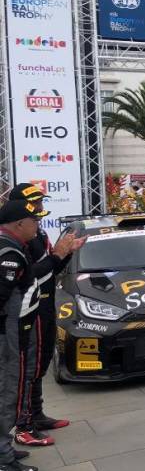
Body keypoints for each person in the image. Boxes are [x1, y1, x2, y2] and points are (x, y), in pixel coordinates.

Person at [5, 185, 83, 447]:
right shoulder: (16, 238)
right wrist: (58, 255)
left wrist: (66, 252)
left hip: (46, 304)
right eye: (34, 204)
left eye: (40, 203)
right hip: (28, 309)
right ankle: (22, 424)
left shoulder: (36, 232)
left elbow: (50, 269)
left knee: (42, 362)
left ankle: (36, 415)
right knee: (27, 367)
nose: (39, 209)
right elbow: (29, 275)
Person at [0, 199, 46, 471]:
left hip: (13, 336)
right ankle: (3, 459)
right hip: (7, 338)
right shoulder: (9, 253)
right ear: (19, 223)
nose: (37, 226)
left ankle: (4, 448)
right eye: (34, 221)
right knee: (6, 393)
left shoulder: (13, 247)